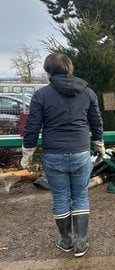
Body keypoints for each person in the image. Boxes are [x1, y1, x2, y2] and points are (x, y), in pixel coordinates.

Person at [21, 53, 105, 257]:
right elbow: (96, 122)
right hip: (80, 153)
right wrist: (99, 144)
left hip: (54, 155)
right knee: (80, 195)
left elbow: (32, 127)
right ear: (70, 69)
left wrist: (28, 153)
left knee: (60, 197)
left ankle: (66, 240)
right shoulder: (88, 93)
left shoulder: (41, 95)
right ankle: (81, 242)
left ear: (48, 71)